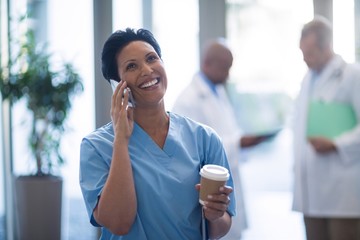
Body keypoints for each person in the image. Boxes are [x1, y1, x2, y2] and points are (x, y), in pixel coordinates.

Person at [79, 28, 236, 239]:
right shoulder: (96, 147)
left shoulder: (204, 140)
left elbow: (221, 226)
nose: (147, 70)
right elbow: (119, 224)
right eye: (131, 66)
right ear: (117, 85)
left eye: (152, 58)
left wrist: (215, 215)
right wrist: (121, 141)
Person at [172, 38, 266, 239]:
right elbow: (192, 152)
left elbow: (224, 133)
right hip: (207, 190)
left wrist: (240, 141)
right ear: (207, 63)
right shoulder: (188, 101)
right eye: (225, 67)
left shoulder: (218, 91)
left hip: (226, 181)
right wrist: (238, 143)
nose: (228, 74)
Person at [292, 16, 360, 240]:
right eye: (302, 53)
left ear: (327, 46)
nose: (305, 60)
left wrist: (336, 144)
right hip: (311, 192)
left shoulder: (352, 75)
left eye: (309, 54)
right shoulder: (307, 79)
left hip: (342, 192)